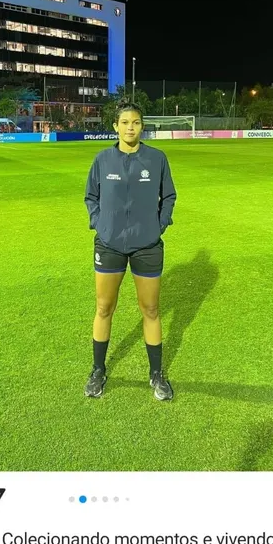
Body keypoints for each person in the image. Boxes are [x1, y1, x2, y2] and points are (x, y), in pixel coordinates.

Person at [84, 99, 177, 400]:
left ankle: (156, 375)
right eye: (124, 122)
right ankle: (98, 370)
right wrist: (100, 224)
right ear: (115, 126)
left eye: (135, 122)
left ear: (142, 126)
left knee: (150, 309)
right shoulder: (102, 160)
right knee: (103, 307)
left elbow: (170, 196)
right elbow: (91, 197)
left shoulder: (157, 159)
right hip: (109, 244)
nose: (130, 127)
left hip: (147, 245)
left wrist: (158, 225)